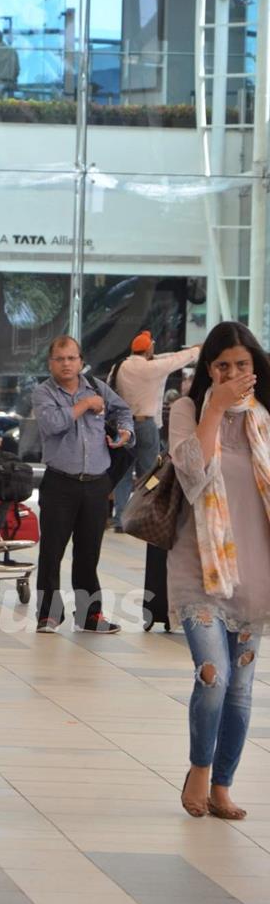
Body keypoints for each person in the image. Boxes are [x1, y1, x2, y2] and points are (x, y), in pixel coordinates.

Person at [169, 322, 270, 821]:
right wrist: (213, 407)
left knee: (242, 689)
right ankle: (200, 770)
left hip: (256, 573)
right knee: (214, 676)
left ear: (256, 369)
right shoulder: (187, 410)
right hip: (199, 570)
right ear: (209, 368)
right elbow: (193, 473)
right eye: (223, 365)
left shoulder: (265, 419)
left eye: (243, 365)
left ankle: (224, 784)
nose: (234, 374)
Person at [32, 335, 134, 635]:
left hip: (96, 484)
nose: (66, 364)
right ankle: (48, 615)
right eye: (60, 359)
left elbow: (123, 411)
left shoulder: (98, 387)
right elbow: (52, 424)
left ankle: (89, 616)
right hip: (60, 482)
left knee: (89, 553)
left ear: (81, 360)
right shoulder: (43, 393)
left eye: (72, 358)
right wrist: (84, 404)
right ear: (51, 363)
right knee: (52, 551)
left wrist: (125, 432)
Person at [112, 331, 200, 529]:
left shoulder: (120, 366)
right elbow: (176, 360)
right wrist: (196, 350)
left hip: (123, 425)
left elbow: (165, 357)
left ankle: (120, 518)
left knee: (123, 473)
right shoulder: (152, 368)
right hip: (145, 425)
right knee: (151, 473)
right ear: (149, 348)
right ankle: (145, 514)